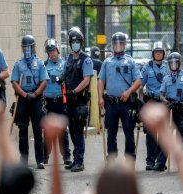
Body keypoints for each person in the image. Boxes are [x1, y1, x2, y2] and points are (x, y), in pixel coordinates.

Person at [98, 32, 142, 161]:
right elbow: (101, 80)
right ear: (112, 45)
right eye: (115, 43)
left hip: (126, 102)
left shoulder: (130, 61)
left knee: (129, 130)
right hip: (111, 102)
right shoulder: (107, 62)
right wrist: (100, 97)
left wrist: (128, 92)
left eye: (120, 43)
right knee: (111, 131)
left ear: (124, 45)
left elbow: (138, 81)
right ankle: (111, 155)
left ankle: (129, 157)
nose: (117, 46)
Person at [11, 35, 48, 169]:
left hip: (36, 98)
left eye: (29, 47)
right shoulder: (18, 64)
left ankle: (40, 160)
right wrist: (24, 94)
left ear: (33, 48)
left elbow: (44, 81)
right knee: (22, 131)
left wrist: (36, 93)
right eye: (25, 47)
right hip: (23, 99)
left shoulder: (39, 63)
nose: (27, 50)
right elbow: (14, 82)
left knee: (38, 131)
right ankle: (24, 161)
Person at [63, 26, 94, 172]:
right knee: (71, 129)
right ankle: (76, 158)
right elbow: (65, 74)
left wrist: (75, 91)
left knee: (78, 131)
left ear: (81, 43)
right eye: (72, 41)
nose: (75, 44)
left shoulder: (86, 60)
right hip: (69, 100)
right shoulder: (68, 58)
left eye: (77, 41)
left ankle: (79, 162)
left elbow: (87, 80)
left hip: (79, 100)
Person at [42, 38, 72, 166]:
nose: (52, 54)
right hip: (48, 102)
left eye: (53, 50)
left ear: (58, 50)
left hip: (61, 101)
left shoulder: (64, 64)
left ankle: (66, 156)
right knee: (47, 131)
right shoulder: (44, 65)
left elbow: (69, 80)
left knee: (63, 130)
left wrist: (62, 78)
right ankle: (45, 157)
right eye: (49, 52)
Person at [140, 41, 169, 170]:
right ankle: (150, 160)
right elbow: (141, 84)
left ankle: (160, 160)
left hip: (163, 102)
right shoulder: (147, 67)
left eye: (160, 52)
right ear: (153, 53)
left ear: (164, 54)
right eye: (156, 52)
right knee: (151, 133)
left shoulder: (168, 66)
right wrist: (140, 102)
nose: (158, 54)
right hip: (151, 101)